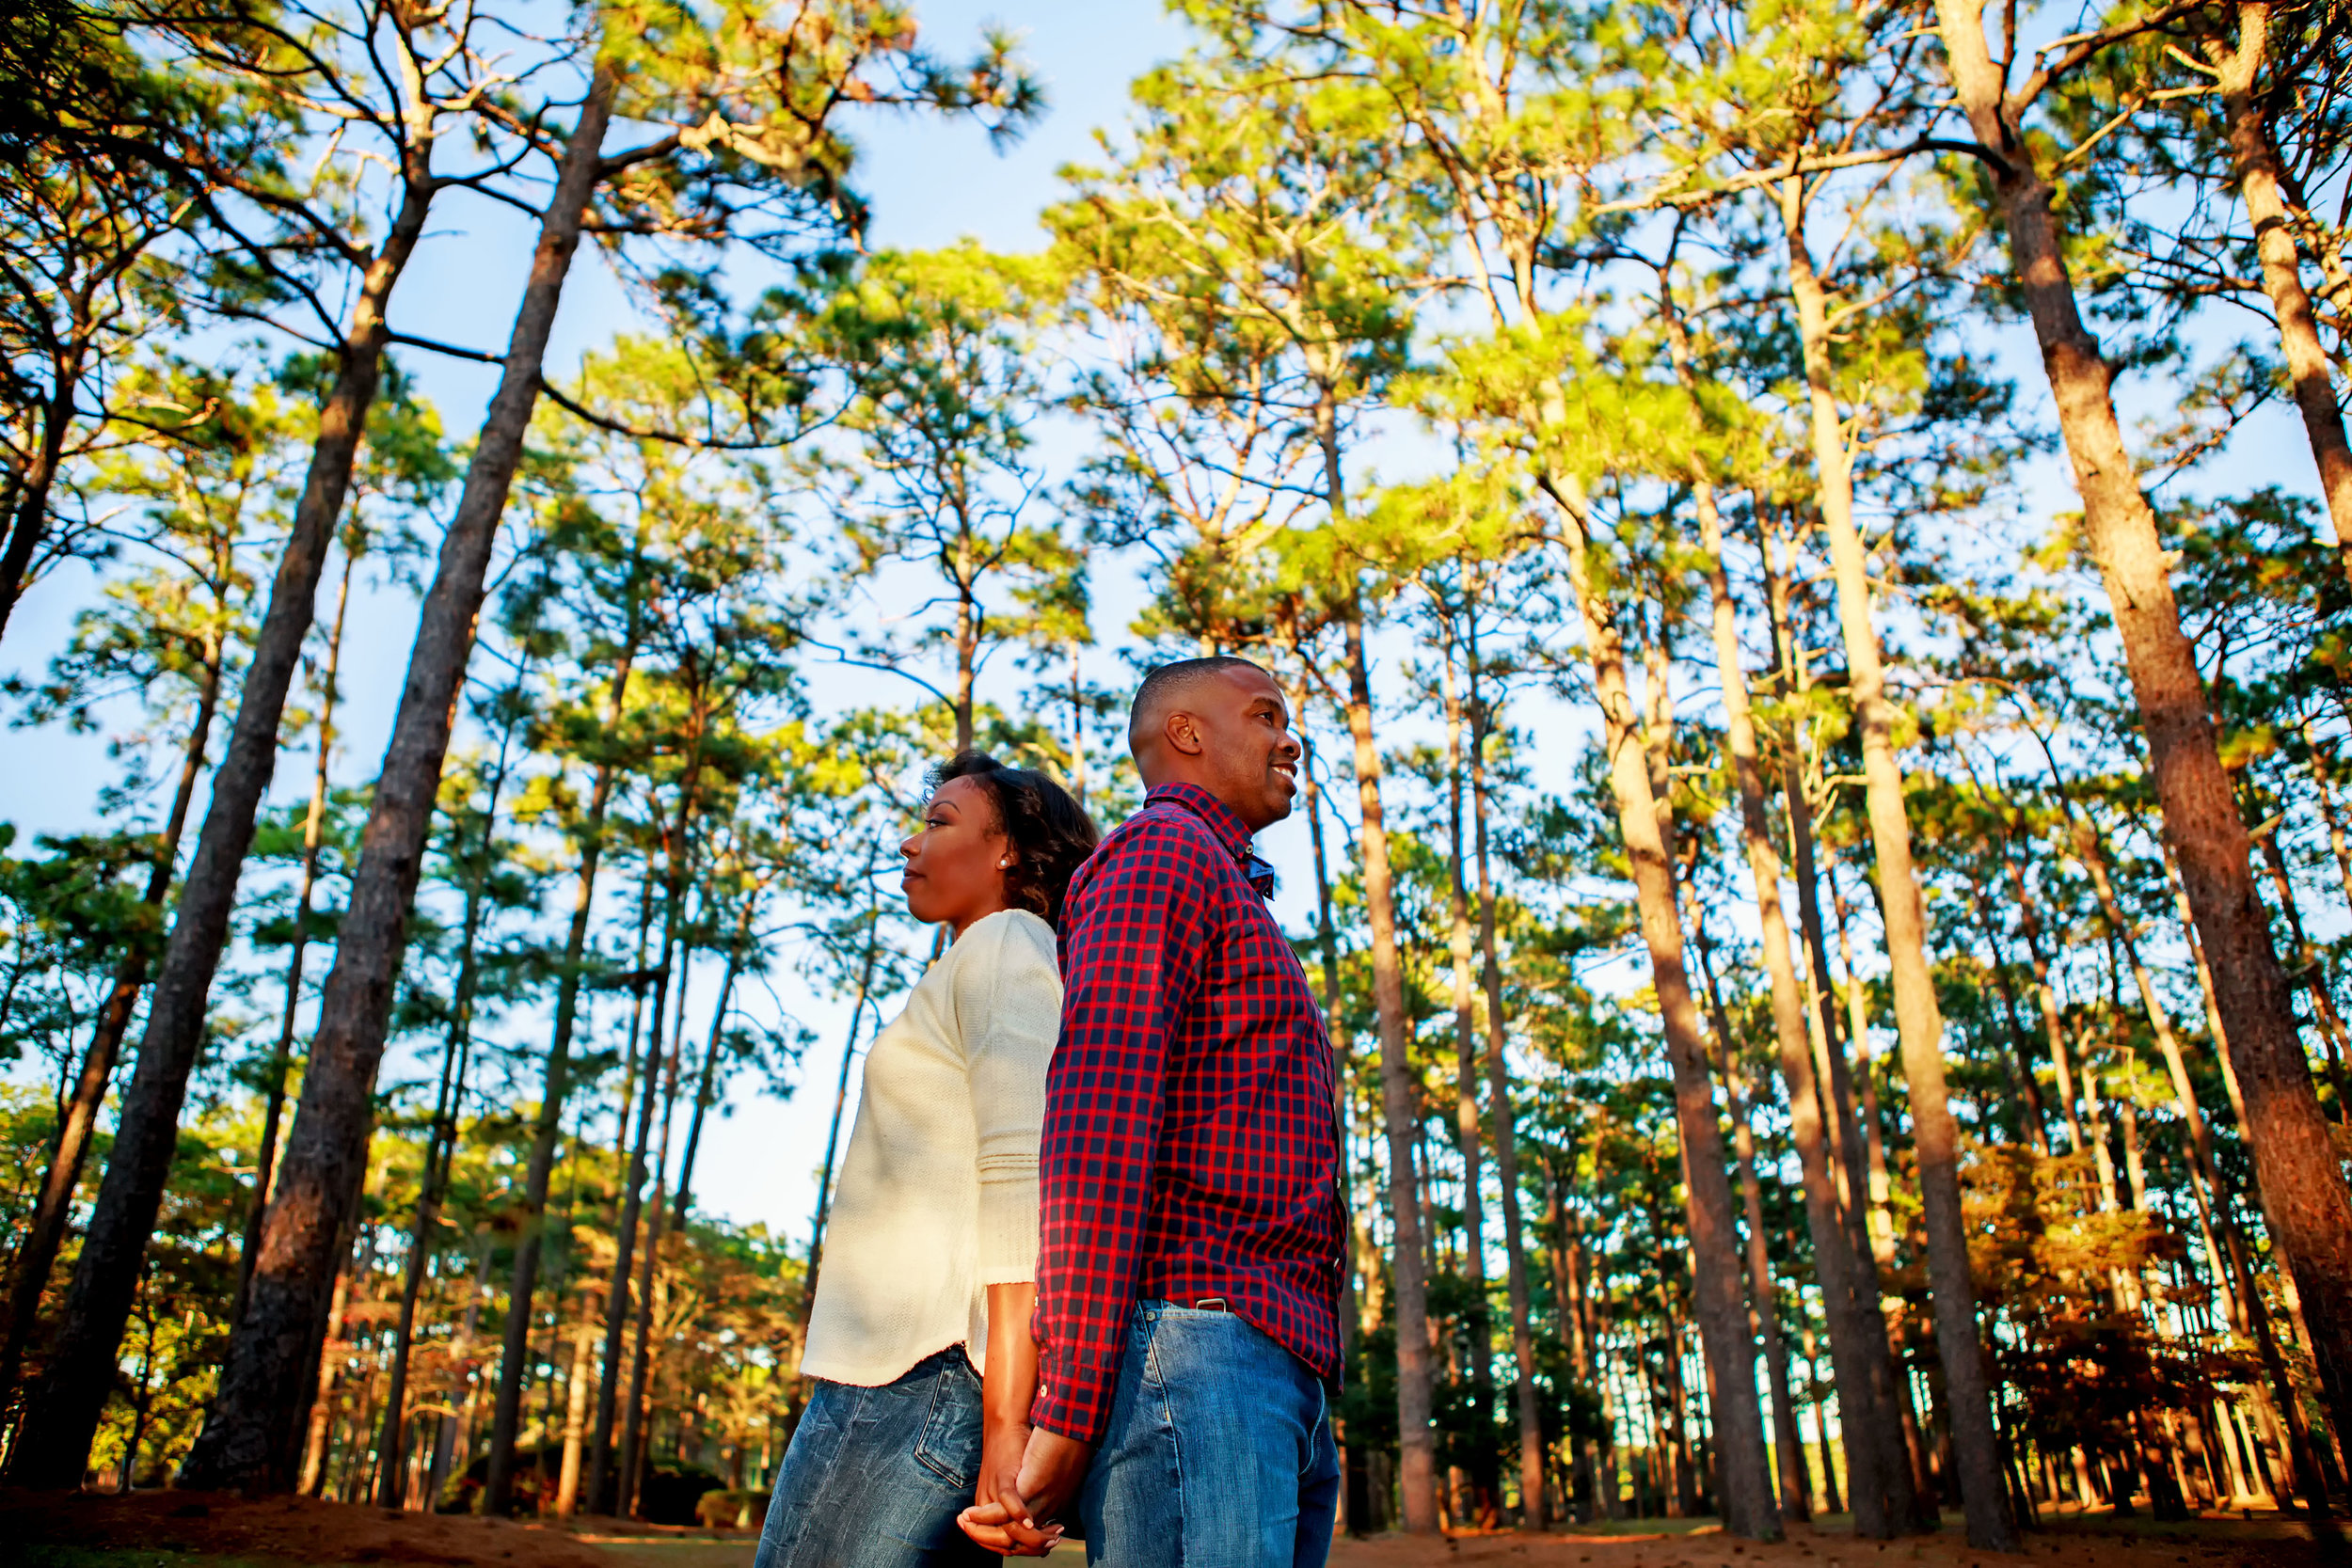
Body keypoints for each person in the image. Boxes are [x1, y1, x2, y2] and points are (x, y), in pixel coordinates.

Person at [961, 656, 1345, 1568]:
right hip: (1195, 1351)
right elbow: (1099, 1122)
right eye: (1264, 714)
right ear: (1185, 732)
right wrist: (1071, 1397)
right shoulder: (1159, 852)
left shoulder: (1220, 879)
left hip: (1268, 1361)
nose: (1290, 736)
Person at [755, 751, 1099, 1568]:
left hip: (922, 1377)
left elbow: (1022, 1180)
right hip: (928, 1378)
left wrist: (1010, 1420)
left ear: (1008, 847)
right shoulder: (979, 959)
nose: (910, 843)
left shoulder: (1007, 942)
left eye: (939, 821)